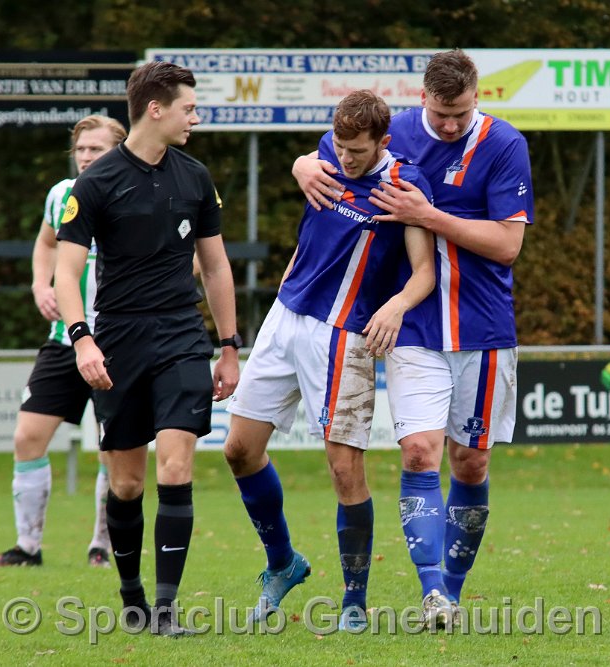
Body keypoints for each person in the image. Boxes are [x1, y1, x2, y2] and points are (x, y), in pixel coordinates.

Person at [294, 49, 535, 628]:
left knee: (470, 462)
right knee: (419, 452)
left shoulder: (505, 144)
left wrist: (427, 215)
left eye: (460, 113)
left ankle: (453, 588)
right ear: (422, 96)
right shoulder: (392, 132)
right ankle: (435, 595)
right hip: (415, 325)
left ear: (477, 97)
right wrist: (301, 165)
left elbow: (507, 246)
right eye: (441, 113)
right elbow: (328, 156)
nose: (450, 125)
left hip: (484, 325)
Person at [224, 90, 435, 632]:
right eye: (340, 147)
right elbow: (312, 163)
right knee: (239, 451)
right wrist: (301, 164)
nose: (345, 158)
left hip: (343, 334)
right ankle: (283, 563)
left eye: (357, 151)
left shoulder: (404, 185)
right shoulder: (325, 154)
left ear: (383, 142)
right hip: (284, 317)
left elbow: (424, 273)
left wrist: (396, 306)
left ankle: (354, 601)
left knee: (344, 470)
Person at [54, 61, 239, 638]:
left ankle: (165, 610)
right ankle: (131, 595)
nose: (195, 118)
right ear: (155, 109)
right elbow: (66, 274)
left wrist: (229, 347)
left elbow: (215, 266)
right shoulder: (96, 183)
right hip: (119, 339)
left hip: (182, 335)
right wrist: (82, 339)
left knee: (177, 467)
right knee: (128, 484)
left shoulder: (196, 177)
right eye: (188, 108)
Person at [0, 115, 127, 569]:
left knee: (114, 450)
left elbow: (192, 257)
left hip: (120, 342)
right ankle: (28, 548)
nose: (86, 157)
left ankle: (101, 545)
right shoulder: (62, 194)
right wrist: (41, 284)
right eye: (81, 149)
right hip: (65, 341)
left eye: (96, 149)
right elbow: (45, 244)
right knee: (27, 437)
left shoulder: (138, 194)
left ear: (119, 151)